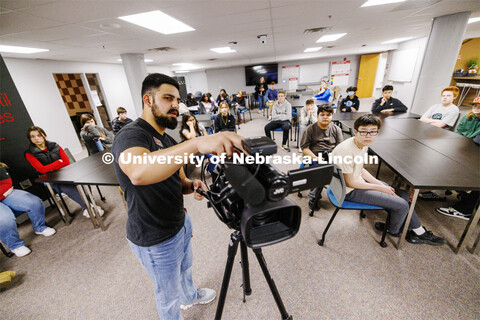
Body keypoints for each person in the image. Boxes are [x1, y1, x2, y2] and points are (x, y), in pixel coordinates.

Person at [111, 73, 243, 320]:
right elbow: (139, 172)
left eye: (177, 99)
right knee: (167, 294)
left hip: (179, 223)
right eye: (167, 98)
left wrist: (188, 184)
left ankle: (190, 296)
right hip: (154, 235)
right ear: (148, 100)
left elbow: (176, 179)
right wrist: (195, 144)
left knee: (185, 268)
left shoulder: (167, 138)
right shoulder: (131, 135)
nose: (175, 105)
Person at [331, 114, 446, 246]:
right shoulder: (346, 150)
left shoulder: (362, 143)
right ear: (356, 132)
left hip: (357, 182)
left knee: (403, 195)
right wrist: (380, 188)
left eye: (373, 132)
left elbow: (360, 169)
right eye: (364, 132)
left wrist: (380, 183)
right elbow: (350, 183)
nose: (368, 135)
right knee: (402, 204)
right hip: (348, 191)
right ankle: (393, 230)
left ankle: (418, 232)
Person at [24, 126, 104, 218]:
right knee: (70, 188)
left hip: (66, 172)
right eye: (33, 136)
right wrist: (58, 162)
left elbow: (66, 162)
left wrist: (52, 166)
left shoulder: (54, 145)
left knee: (83, 180)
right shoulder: (29, 153)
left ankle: (87, 204)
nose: (36, 138)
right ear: (30, 139)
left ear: (44, 135)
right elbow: (42, 169)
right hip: (51, 178)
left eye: (39, 135)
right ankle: (89, 206)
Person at [0, 162, 56, 257]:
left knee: (34, 202)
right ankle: (15, 245)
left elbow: (7, 183)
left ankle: (40, 227)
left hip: (5, 193)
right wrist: (3, 194)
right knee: (4, 219)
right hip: (4, 193)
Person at [300, 105, 343, 210]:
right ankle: (313, 197)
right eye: (322, 115)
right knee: (321, 171)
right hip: (314, 155)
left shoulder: (336, 129)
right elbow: (305, 148)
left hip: (331, 155)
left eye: (328, 115)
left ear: (332, 116)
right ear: (317, 115)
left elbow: (340, 147)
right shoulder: (310, 129)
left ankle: (340, 192)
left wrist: (334, 157)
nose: (325, 117)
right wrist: (315, 158)